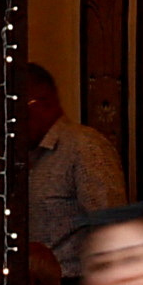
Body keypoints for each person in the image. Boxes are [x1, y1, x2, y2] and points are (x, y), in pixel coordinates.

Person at [16, 64, 128, 268]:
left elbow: (110, 223)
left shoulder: (84, 147)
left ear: (44, 103)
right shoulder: (26, 155)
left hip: (72, 284)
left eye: (20, 110)